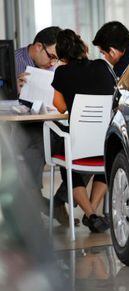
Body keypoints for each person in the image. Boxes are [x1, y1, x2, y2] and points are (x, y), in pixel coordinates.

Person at [51, 29, 115, 232]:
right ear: (85, 48)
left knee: (67, 159)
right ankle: (93, 214)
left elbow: (59, 106)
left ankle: (92, 214)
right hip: (104, 143)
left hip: (78, 144)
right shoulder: (103, 66)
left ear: (62, 56)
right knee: (105, 165)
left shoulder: (62, 72)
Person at [13, 26, 76, 226]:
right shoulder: (12, 61)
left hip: (50, 121)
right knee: (37, 140)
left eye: (56, 59)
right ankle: (35, 201)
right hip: (20, 125)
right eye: (51, 56)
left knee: (79, 145)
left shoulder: (55, 67)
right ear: (38, 47)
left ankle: (56, 200)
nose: (52, 62)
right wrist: (12, 89)